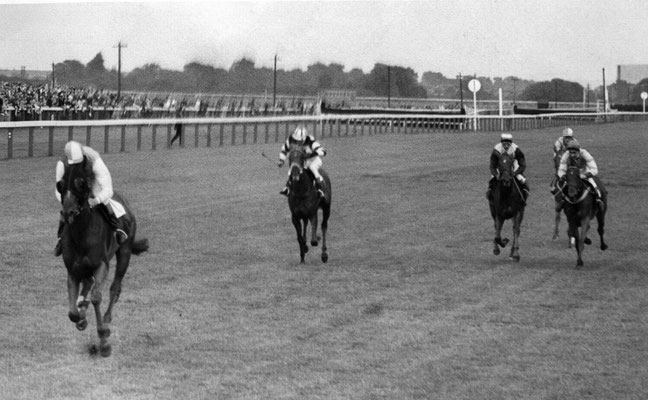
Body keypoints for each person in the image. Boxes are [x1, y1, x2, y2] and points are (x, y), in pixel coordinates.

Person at [54, 141, 129, 256]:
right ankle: (61, 238)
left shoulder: (94, 161)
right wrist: (66, 202)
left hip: (92, 182)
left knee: (102, 198)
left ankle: (117, 229)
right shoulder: (62, 164)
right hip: (75, 188)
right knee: (66, 209)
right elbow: (58, 189)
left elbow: (108, 189)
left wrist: (96, 200)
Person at [277, 125, 327, 198]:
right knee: (293, 168)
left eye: (299, 141)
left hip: (314, 160)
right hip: (303, 161)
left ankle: (320, 189)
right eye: (296, 140)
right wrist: (281, 160)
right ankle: (287, 188)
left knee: (313, 168)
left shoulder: (310, 140)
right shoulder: (291, 139)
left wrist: (312, 154)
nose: (297, 142)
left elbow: (323, 151)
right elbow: (284, 150)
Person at [557, 139, 605, 208]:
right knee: (563, 185)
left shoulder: (585, 154)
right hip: (571, 174)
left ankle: (598, 200)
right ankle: (562, 201)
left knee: (593, 184)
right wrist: (564, 176)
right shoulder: (566, 155)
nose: (572, 155)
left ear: (578, 151)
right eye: (570, 152)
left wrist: (585, 175)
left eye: (574, 153)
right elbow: (561, 169)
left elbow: (594, 169)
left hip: (583, 172)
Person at [487, 133, 530, 200]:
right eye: (504, 144)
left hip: (513, 166)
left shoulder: (516, 150)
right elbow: (493, 165)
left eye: (508, 144)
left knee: (522, 179)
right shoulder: (496, 150)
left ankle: (525, 193)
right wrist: (495, 174)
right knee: (492, 180)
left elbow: (522, 165)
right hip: (500, 167)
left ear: (511, 144)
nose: (506, 146)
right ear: (501, 143)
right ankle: (490, 194)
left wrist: (516, 173)